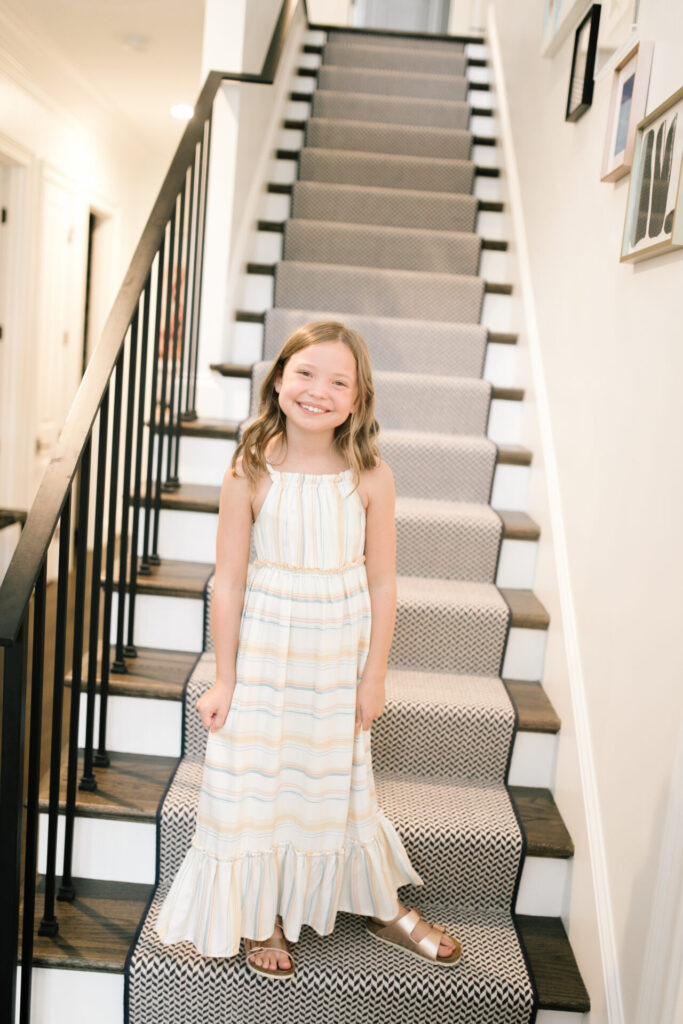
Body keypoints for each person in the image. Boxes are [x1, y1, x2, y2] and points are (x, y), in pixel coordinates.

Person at [154, 320, 462, 977]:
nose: (318, 390)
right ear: (277, 380)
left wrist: (373, 676)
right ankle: (258, 912)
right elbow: (229, 583)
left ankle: (380, 906)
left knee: (333, 782)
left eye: (338, 381)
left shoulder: (371, 476)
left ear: (357, 400)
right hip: (265, 651)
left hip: (335, 654)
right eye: (304, 373)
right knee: (258, 781)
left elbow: (382, 580)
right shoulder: (250, 469)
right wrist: (224, 677)